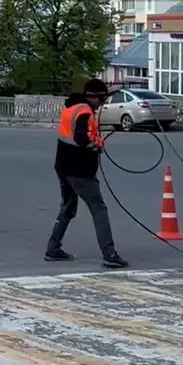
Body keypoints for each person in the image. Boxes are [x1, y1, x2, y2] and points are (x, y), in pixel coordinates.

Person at [45, 78, 129, 269]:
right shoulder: (83, 110)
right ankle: (110, 254)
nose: (101, 104)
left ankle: (53, 248)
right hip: (79, 171)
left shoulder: (71, 107)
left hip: (63, 166)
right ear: (92, 97)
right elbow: (81, 138)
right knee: (99, 210)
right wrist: (95, 146)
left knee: (68, 207)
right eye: (101, 100)